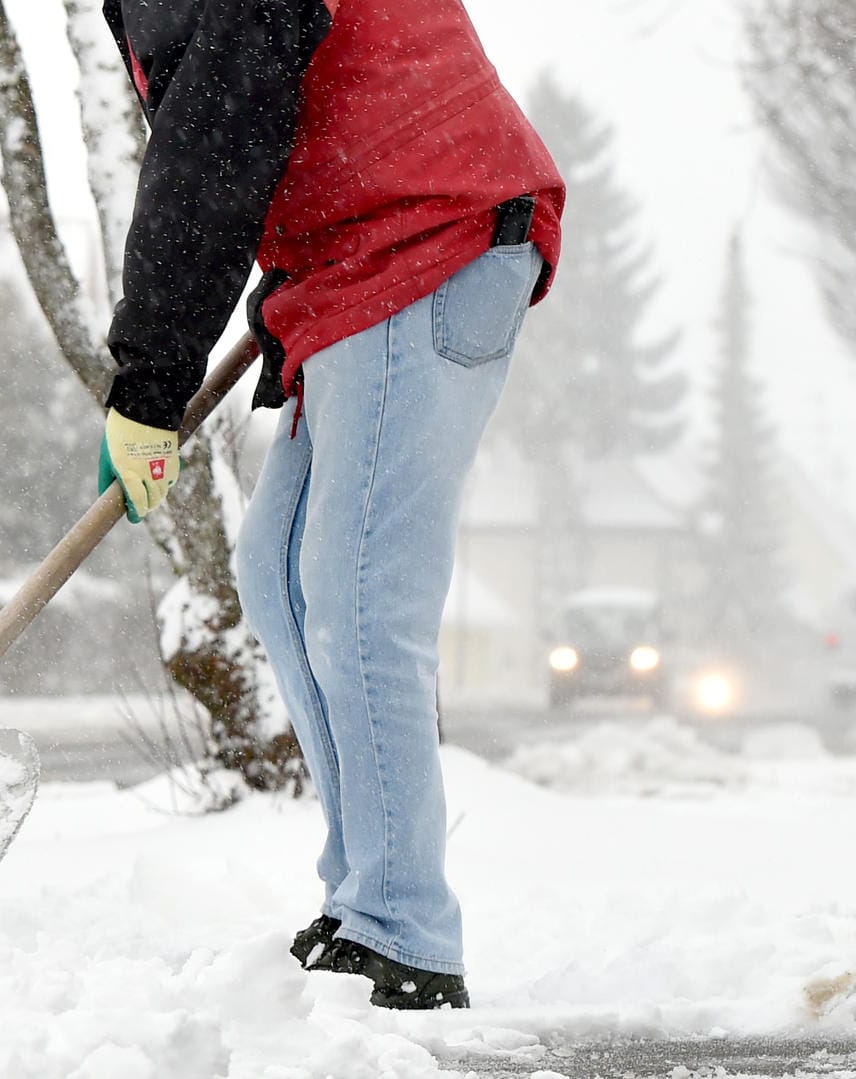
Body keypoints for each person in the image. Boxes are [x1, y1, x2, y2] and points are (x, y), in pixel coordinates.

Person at [95, 0, 566, 1010]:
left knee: (358, 596)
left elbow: (216, 141)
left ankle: (406, 930)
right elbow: (232, 143)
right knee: (280, 576)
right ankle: (365, 900)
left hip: (429, 233)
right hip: (361, 258)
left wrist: (147, 382)